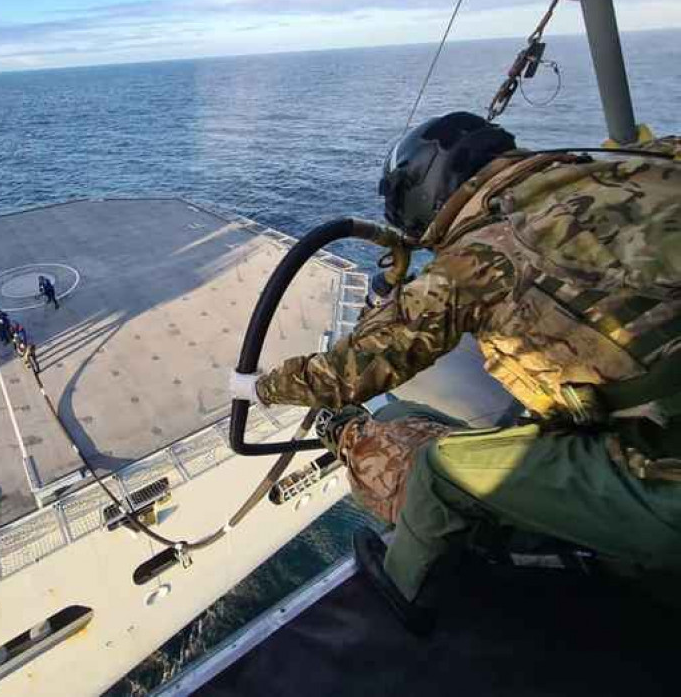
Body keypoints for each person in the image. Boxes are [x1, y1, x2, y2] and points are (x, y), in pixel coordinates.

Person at [231, 112, 681, 624]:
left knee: (439, 470)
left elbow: (347, 374)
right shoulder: (640, 162)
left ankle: (405, 596)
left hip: (667, 471)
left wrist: (259, 386)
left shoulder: (477, 259)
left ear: (428, 189)